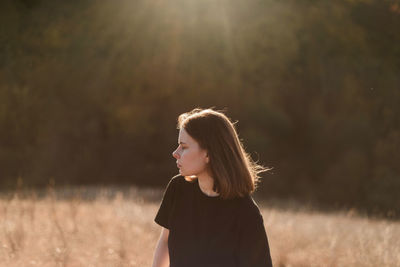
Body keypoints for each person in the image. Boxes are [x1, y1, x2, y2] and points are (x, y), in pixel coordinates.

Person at [152, 108, 273, 267]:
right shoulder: (178, 188)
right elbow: (165, 242)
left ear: (209, 154)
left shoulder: (246, 213)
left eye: (184, 146)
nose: (175, 153)